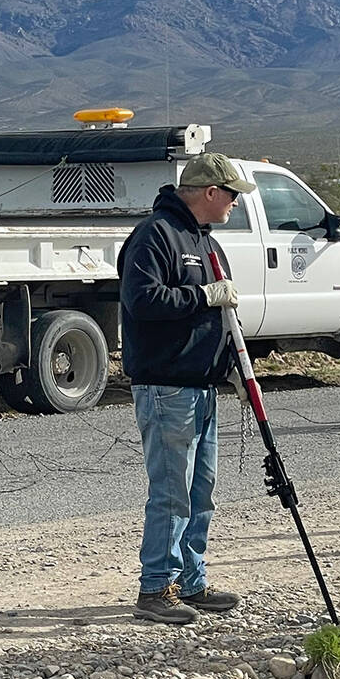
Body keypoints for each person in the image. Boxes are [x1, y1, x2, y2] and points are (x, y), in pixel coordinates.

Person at [117, 151, 257, 625]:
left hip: (201, 386)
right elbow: (142, 300)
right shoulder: (156, 235)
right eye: (233, 196)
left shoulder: (203, 240)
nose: (235, 205)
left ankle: (190, 581)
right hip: (167, 386)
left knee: (201, 490)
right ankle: (156, 586)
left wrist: (230, 367)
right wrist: (202, 295)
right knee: (172, 492)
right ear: (211, 192)